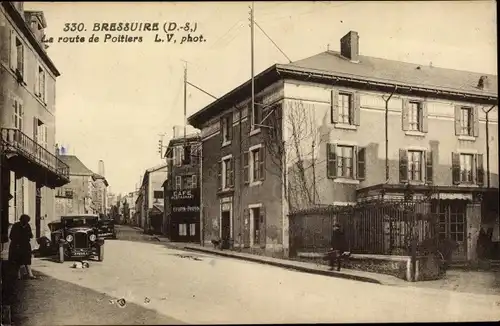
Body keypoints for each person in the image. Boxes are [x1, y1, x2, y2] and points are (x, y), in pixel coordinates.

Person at [9, 214, 36, 280]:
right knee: (17, 260)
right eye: (24, 222)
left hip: (25, 245)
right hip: (16, 245)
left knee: (27, 259)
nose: (25, 224)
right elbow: (11, 236)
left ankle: (30, 274)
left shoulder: (27, 226)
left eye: (26, 222)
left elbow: (30, 235)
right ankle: (18, 275)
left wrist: (30, 235)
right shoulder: (16, 226)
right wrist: (17, 243)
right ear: (21, 220)